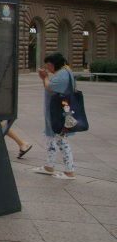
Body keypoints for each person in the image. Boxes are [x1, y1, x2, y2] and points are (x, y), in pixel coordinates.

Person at [32, 52, 76, 180]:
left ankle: (70, 171)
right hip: (54, 112)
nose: (47, 68)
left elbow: (49, 87)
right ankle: (49, 166)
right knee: (50, 137)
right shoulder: (64, 71)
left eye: (48, 65)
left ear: (52, 64)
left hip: (59, 114)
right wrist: (45, 77)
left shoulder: (62, 75)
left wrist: (44, 77)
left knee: (61, 140)